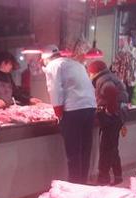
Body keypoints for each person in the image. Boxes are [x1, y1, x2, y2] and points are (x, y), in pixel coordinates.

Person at [41, 44, 97, 184]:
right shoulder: (75, 64)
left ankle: (74, 186)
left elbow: (54, 89)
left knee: (73, 151)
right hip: (89, 107)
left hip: (73, 110)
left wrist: (58, 113)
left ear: (46, 58)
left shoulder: (53, 65)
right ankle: (83, 183)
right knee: (85, 148)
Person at [87, 60, 129, 186]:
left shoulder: (102, 80)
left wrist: (109, 112)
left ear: (94, 72)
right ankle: (118, 176)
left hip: (113, 117)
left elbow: (110, 91)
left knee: (106, 148)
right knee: (112, 147)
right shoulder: (109, 76)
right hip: (119, 115)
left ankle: (103, 178)